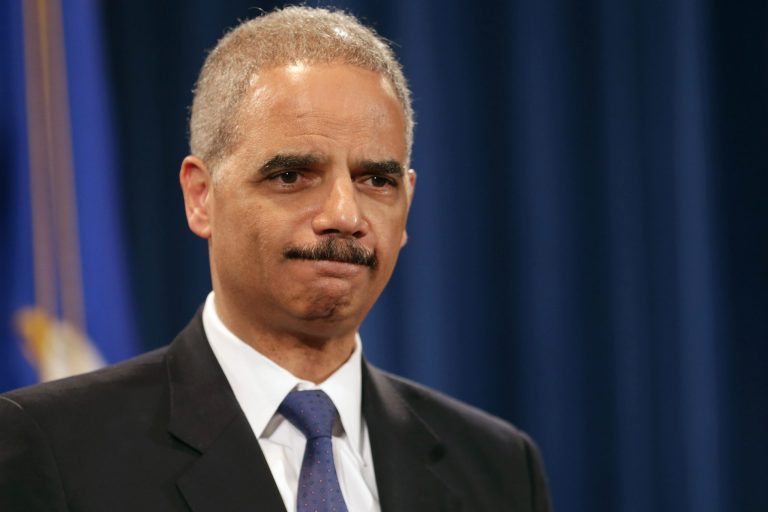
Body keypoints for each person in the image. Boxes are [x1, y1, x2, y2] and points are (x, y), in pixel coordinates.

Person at [0, 6, 551, 511]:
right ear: (201, 196)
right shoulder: (52, 447)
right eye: (291, 175)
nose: (344, 213)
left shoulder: (499, 468)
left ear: (407, 203)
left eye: (376, 180)